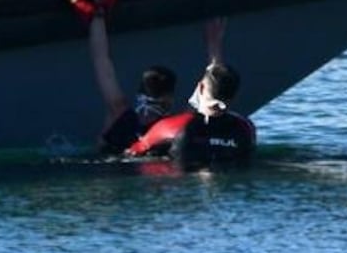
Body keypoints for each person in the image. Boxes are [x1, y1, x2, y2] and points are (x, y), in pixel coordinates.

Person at [125, 60, 256, 167]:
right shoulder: (245, 128)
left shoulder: (170, 127)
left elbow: (132, 153)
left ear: (201, 87)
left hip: (181, 181)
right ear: (234, 96)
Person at [87, 12, 177, 153]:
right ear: (169, 98)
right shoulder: (171, 129)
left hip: (108, 167)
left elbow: (101, 62)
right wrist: (213, 49)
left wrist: (97, 14)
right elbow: (210, 91)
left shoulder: (119, 111)